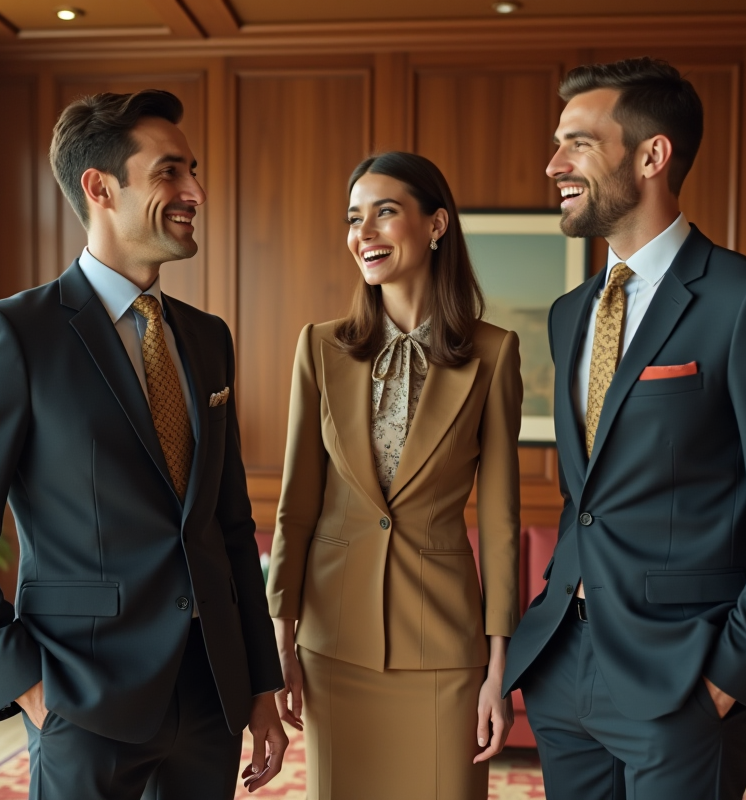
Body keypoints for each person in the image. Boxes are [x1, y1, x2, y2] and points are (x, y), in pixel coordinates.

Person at [0, 89, 287, 800]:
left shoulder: (208, 340)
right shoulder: (14, 334)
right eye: (170, 172)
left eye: (194, 171)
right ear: (99, 187)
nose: (195, 192)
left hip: (210, 697)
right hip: (81, 700)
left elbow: (229, 529)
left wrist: (260, 684)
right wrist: (27, 689)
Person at [502, 58, 746, 799]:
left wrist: (730, 677)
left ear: (652, 155)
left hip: (684, 681)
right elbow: (585, 499)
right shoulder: (571, 314)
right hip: (563, 669)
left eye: (578, 143)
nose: (554, 163)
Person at [266, 151, 523, 799]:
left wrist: (499, 670)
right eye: (355, 218)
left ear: (437, 225)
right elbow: (296, 504)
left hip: (443, 646)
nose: (365, 232)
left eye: (385, 212)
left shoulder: (493, 354)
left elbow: (499, 522)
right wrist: (282, 637)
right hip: (333, 642)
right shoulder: (319, 346)